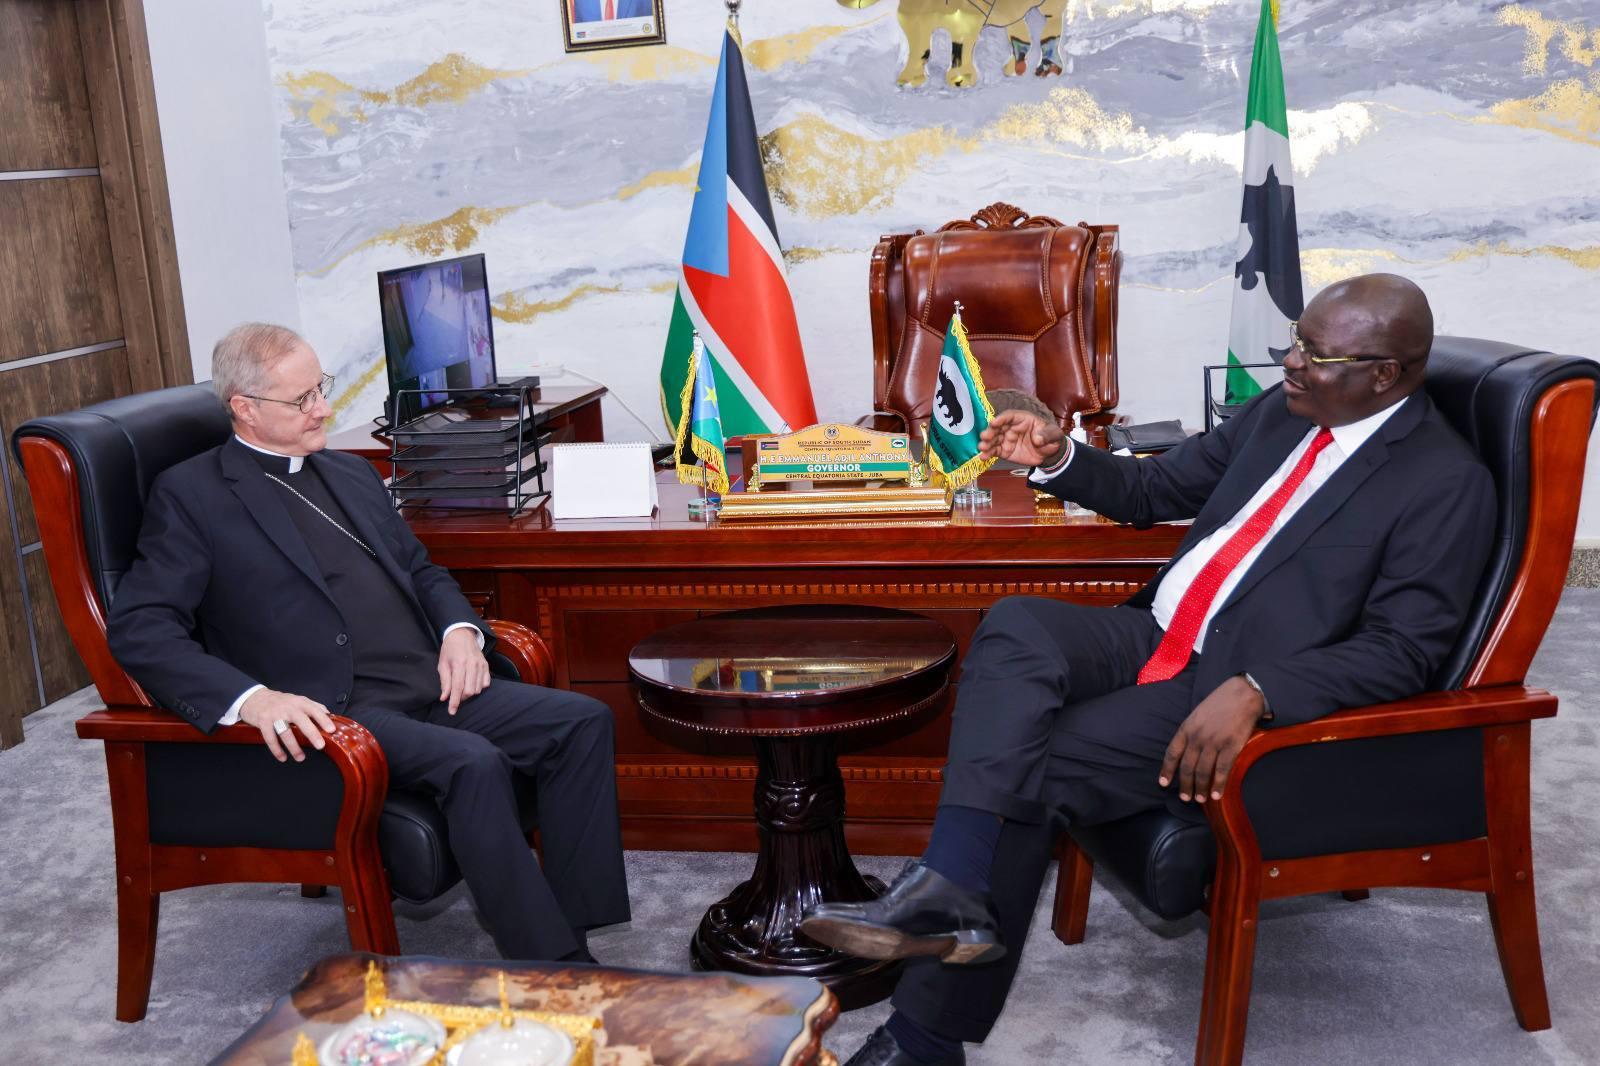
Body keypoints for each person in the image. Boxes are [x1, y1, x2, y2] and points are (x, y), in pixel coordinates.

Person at [800, 274, 1496, 1065]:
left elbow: (1405, 650)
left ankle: (923, 1037)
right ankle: (950, 886)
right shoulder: (1285, 410)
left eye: (1316, 354)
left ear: (1385, 374)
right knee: (1017, 622)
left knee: (1037, 758)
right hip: (1158, 631)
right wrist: (1060, 456)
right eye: (1296, 342)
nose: (1291, 363)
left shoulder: (1444, 483)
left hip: (1226, 682)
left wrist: (1260, 691)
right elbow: (1158, 486)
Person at [106, 323, 629, 962]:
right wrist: (253, 700)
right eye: (302, 399)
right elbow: (141, 629)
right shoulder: (193, 496)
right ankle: (553, 966)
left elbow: (421, 570)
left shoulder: (349, 474)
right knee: (473, 763)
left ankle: (575, 924)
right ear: (245, 408)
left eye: (320, 388)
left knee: (581, 723)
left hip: (430, 683)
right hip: (340, 708)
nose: (323, 408)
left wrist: (461, 634)